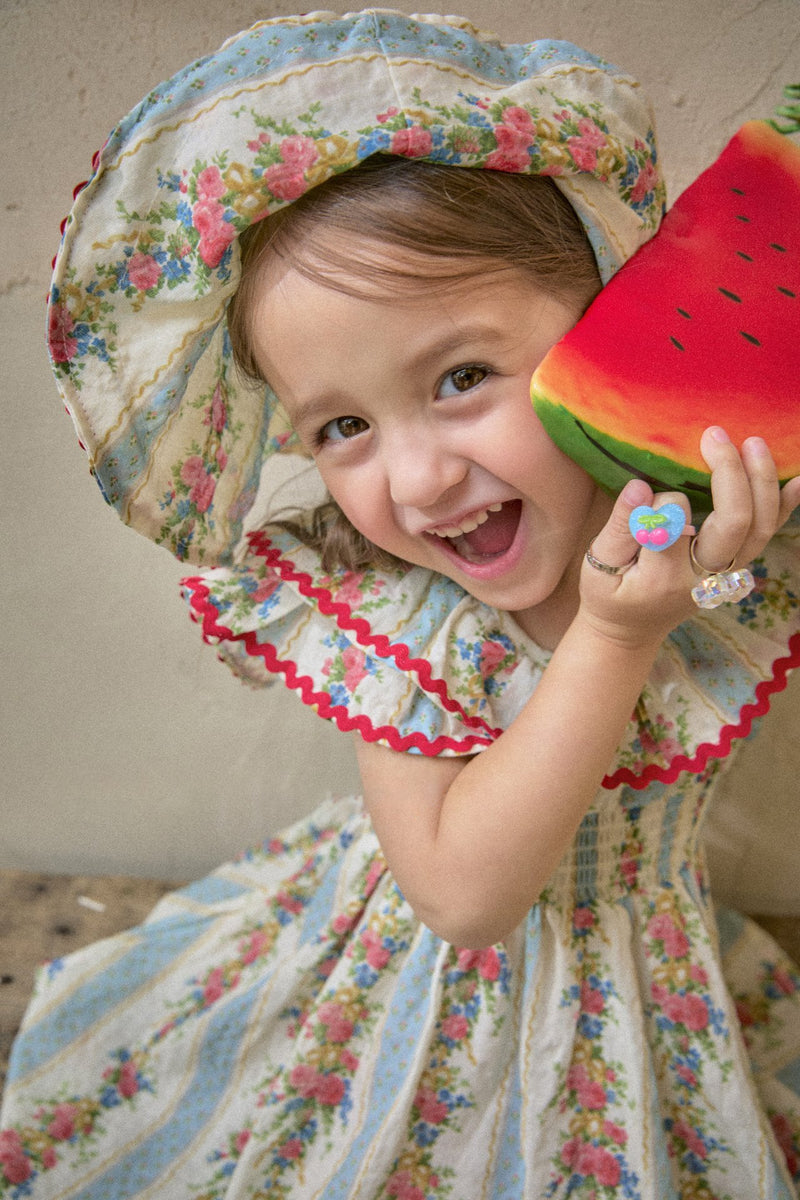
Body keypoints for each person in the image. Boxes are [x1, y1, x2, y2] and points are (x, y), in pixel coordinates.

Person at [2, 10, 799, 1197]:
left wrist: (732, 535)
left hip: (647, 969)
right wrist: (617, 633)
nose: (417, 478)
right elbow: (463, 897)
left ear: (604, 320)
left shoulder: (702, 521)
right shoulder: (394, 613)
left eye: (462, 377)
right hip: (428, 994)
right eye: (342, 428)